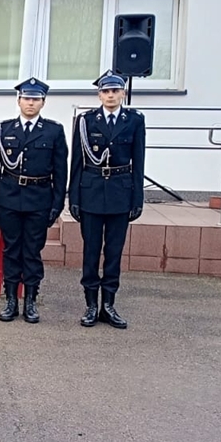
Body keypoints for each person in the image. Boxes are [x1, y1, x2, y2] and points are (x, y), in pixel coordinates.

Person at [0, 78, 69, 324]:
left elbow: (60, 171)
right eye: (26, 98)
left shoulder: (54, 131)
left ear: (43, 102)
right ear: (19, 101)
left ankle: (31, 300)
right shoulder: (3, 129)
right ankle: (11, 300)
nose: (30, 103)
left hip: (39, 199)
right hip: (9, 198)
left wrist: (57, 204)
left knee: (32, 251)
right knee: (11, 250)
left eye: (35, 99)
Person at [69, 69, 146, 329]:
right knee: (91, 252)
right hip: (91, 192)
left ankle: (109, 305)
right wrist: (74, 196)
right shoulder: (86, 121)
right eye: (105, 91)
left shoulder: (134, 120)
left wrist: (137, 198)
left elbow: (139, 161)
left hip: (120, 193)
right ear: (99, 95)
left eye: (115, 91)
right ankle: (91, 305)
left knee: (114, 252)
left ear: (123, 93)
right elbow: (77, 162)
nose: (110, 95)